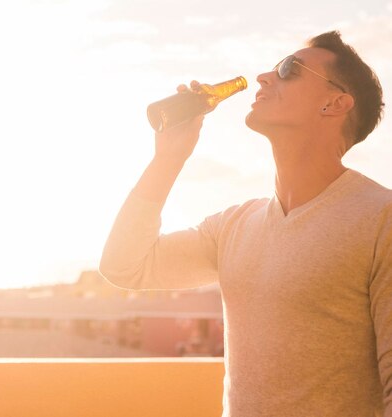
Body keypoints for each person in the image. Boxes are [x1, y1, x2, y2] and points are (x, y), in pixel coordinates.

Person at [100, 31, 391, 416]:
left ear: (335, 104)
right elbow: (124, 266)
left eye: (289, 69)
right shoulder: (234, 226)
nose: (263, 78)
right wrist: (168, 158)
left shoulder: (380, 218)